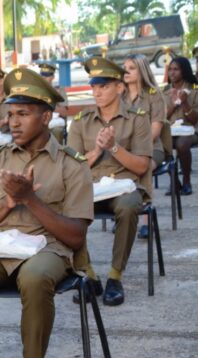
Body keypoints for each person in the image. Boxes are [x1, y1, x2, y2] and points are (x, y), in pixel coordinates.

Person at [0, 68, 93, 358]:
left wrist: (30, 199)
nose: (13, 121)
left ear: (46, 117)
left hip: (49, 248)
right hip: (1, 248)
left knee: (35, 277)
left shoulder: (71, 164)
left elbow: (76, 236)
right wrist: (7, 206)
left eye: (23, 113)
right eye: (11, 113)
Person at [67, 57, 152, 306]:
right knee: (65, 208)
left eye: (104, 86)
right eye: (94, 86)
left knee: (128, 206)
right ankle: (89, 276)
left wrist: (113, 147)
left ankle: (115, 276)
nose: (97, 92)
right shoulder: (81, 121)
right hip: (90, 187)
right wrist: (96, 151)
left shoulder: (138, 118)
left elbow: (142, 166)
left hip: (124, 185)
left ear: (119, 87)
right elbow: (72, 167)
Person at [123, 54, 167, 239]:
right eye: (124, 67)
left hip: (151, 148)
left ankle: (145, 220)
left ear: (142, 71)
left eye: (131, 68)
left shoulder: (153, 95)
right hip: (125, 149)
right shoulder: (120, 95)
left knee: (142, 167)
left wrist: (135, 153)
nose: (126, 71)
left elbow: (155, 131)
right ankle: (123, 215)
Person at [163, 57, 198, 196]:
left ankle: (187, 181)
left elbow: (195, 119)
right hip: (170, 131)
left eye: (176, 69)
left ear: (184, 71)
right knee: (162, 143)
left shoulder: (194, 89)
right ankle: (174, 180)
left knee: (182, 144)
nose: (172, 73)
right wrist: (174, 103)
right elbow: (162, 117)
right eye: (170, 69)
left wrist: (184, 103)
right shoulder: (165, 90)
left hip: (192, 130)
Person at [38, 63, 69, 144]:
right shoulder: (36, 92)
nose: (44, 78)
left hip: (54, 123)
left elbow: (65, 112)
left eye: (47, 76)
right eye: (42, 76)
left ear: (52, 77)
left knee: (57, 130)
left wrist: (50, 104)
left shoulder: (59, 91)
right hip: (39, 122)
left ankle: (57, 154)